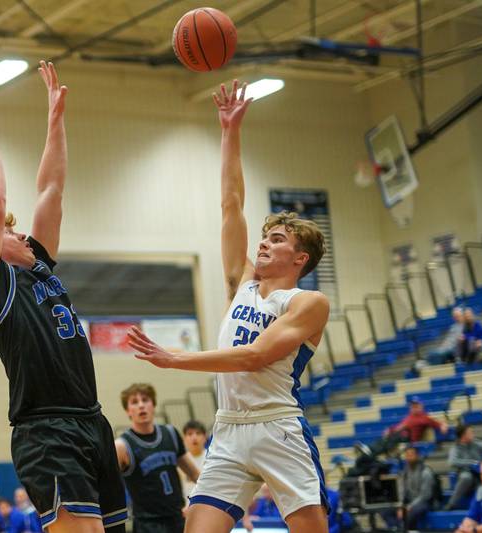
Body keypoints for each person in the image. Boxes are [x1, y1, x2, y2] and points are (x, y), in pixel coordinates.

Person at [127, 81, 330, 533]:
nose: (264, 242)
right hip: (229, 428)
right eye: (265, 235)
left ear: (300, 259)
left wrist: (175, 358)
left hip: (277, 426)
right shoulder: (241, 282)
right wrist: (228, 131)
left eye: (277, 239)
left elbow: (256, 356)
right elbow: (230, 203)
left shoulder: (308, 302)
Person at [0, 62, 126, 533]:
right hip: (47, 431)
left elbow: (51, 187)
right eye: (11, 232)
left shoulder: (39, 261)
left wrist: (55, 118)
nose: (23, 231)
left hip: (93, 422)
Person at [115, 383, 200, 533]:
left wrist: (196, 500)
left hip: (178, 519)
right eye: (134, 402)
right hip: (147, 524)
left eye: (145, 400)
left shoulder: (170, 433)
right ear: (128, 411)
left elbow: (196, 475)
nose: (141, 405)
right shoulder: (122, 445)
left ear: (153, 405)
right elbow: (108, 486)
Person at [382, 446, 438, 531]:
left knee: (410, 513)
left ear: (417, 456)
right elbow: (402, 491)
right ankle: (396, 529)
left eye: (411, 455)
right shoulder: (404, 472)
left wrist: (409, 507)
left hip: (424, 503)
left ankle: (405, 530)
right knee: (386, 511)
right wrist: (400, 506)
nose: (409, 457)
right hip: (409, 502)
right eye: (407, 455)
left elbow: (425, 496)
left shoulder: (426, 472)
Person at [445, 425, 482, 510]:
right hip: (465, 472)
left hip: (479, 472)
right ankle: (451, 504)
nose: (473, 434)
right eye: (470, 432)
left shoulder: (478, 443)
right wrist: (471, 463)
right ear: (463, 435)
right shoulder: (455, 448)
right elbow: (452, 461)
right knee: (466, 477)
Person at [180, 420, 207, 501]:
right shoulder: (180, 461)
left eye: (198, 433)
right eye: (190, 434)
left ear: (205, 437)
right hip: (188, 508)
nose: (194, 437)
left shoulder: (213, 458)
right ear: (184, 439)